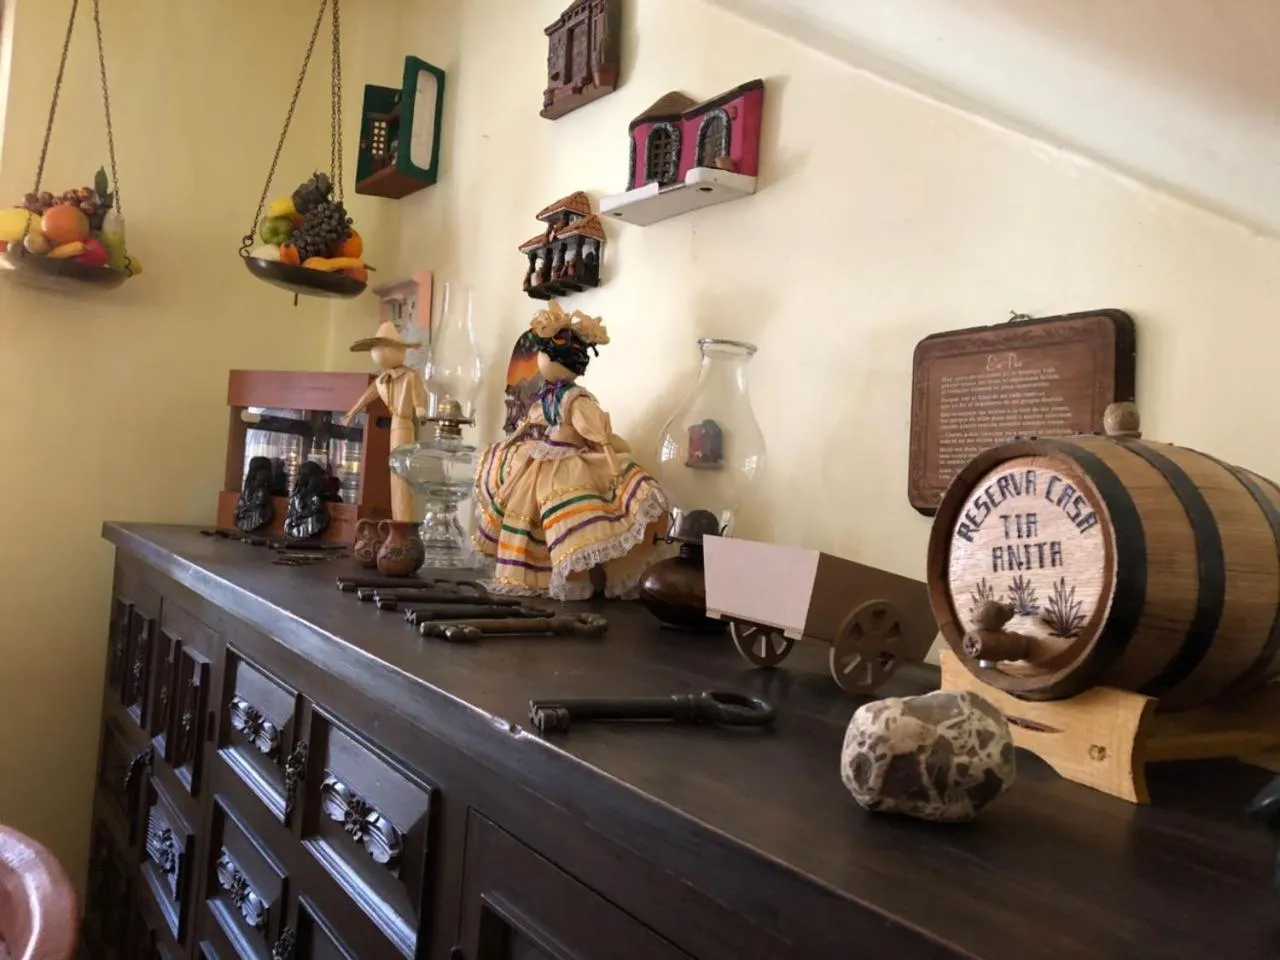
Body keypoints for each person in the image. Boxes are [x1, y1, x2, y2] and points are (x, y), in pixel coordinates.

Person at [474, 302, 669, 600]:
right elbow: (529, 422)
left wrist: (613, 466)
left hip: (569, 461)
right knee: (528, 512)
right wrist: (510, 443)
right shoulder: (550, 397)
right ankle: (536, 575)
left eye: (545, 354)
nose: (540, 360)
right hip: (544, 455)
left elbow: (596, 434)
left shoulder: (575, 401)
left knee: (571, 522)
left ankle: (577, 579)